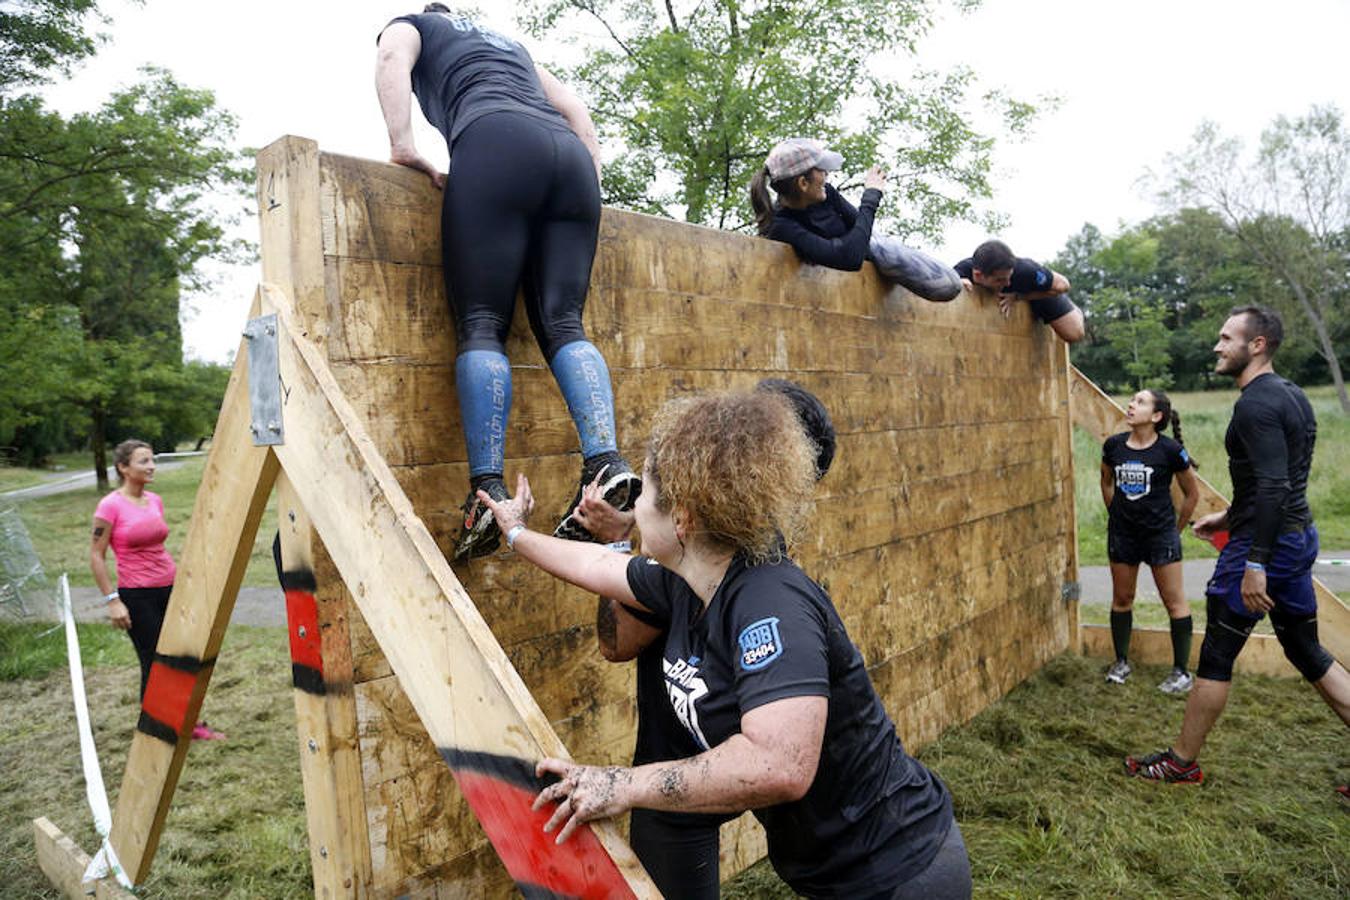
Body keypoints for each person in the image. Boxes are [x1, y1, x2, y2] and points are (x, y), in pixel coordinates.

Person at [479, 390, 971, 899]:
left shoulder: (768, 601)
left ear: (683, 518)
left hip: (900, 870)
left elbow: (778, 765)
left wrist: (620, 786)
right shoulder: (685, 578)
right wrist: (515, 533)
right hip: (836, 874)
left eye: (644, 495)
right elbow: (597, 568)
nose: (633, 510)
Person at [375, 4, 639, 560]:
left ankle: (488, 490)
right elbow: (574, 110)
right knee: (565, 321)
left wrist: (402, 143)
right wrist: (587, 186)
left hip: (493, 142)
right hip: (568, 160)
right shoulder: (511, 45)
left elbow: (392, 56)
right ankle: (605, 459)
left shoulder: (415, 24)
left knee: (481, 323)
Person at [574, 378, 838, 899]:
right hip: (724, 755)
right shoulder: (754, 547)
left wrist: (619, 541)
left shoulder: (699, 558)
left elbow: (616, 644)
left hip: (681, 763)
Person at [1125, 307, 1349, 784]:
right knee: (1306, 649)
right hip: (1295, 535)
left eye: (1227, 338)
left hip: (1266, 546)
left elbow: (1273, 487)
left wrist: (1254, 562)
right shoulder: (1292, 395)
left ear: (1258, 344)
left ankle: (1181, 763)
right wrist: (1229, 515)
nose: (1217, 346)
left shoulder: (1255, 405)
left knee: (1217, 656)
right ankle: (1182, 759)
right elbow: (1279, 479)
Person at [89, 440, 223, 741]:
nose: (151, 467)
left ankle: (188, 722)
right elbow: (96, 555)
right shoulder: (110, 505)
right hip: (137, 595)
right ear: (123, 467)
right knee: (154, 661)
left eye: (152, 461)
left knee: (181, 655)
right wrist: (113, 601)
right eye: (143, 461)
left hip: (170, 588)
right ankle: (156, 729)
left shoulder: (155, 500)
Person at [749, 138, 963, 302]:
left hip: (873, 253)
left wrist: (847, 244)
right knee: (947, 285)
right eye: (821, 170)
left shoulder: (827, 194)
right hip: (834, 292)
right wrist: (871, 196)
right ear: (803, 183)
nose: (827, 175)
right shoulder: (783, 226)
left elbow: (862, 233)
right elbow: (850, 257)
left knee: (951, 282)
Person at [1100, 389, 1201, 693]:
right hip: (1123, 536)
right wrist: (1117, 514)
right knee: (1121, 600)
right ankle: (1120, 662)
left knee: (1174, 603)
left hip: (1160, 537)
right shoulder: (1113, 446)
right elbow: (1106, 482)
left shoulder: (1170, 451)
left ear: (1156, 417)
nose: (1131, 405)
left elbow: (1191, 495)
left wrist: (1174, 530)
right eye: (1132, 400)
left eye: (1140, 402)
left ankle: (1181, 673)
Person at [953, 240, 1085, 343]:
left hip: (1035, 293)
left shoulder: (1025, 270)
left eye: (1009, 277)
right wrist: (957, 283)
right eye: (1000, 280)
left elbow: (1064, 285)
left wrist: (1018, 296)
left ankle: (1075, 310)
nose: (1008, 283)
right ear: (978, 275)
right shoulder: (962, 270)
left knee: (1074, 334)